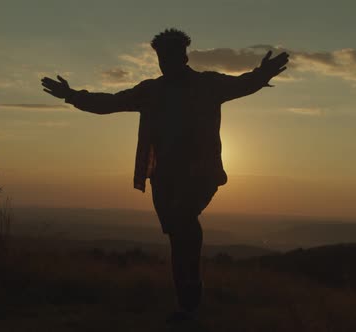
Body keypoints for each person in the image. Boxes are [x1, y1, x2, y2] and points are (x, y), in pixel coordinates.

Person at [41, 28, 289, 324]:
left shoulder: (207, 85)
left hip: (201, 174)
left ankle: (190, 300)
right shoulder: (151, 91)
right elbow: (110, 103)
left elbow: (244, 84)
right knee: (177, 233)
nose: (165, 62)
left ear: (183, 56)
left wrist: (263, 74)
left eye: (170, 56)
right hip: (164, 177)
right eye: (161, 57)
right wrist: (71, 95)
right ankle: (186, 305)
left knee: (183, 222)